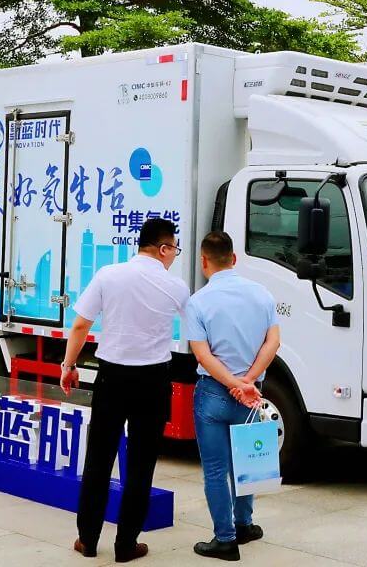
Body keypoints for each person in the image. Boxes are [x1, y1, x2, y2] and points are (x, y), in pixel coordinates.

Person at [61, 218, 190, 562]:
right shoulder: (176, 287)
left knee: (99, 460)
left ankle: (88, 539)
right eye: (174, 249)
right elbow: (195, 329)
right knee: (141, 465)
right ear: (163, 248)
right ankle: (126, 544)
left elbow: (80, 324)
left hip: (112, 378)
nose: (174, 256)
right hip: (153, 381)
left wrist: (69, 365)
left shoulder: (109, 275)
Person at [186, 231, 281, 562]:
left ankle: (225, 539)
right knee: (249, 461)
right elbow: (273, 342)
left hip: (213, 393)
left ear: (204, 261)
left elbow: (203, 354)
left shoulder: (198, 301)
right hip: (251, 396)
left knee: (216, 469)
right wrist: (248, 382)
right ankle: (245, 525)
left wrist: (232, 384)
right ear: (234, 258)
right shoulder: (262, 294)